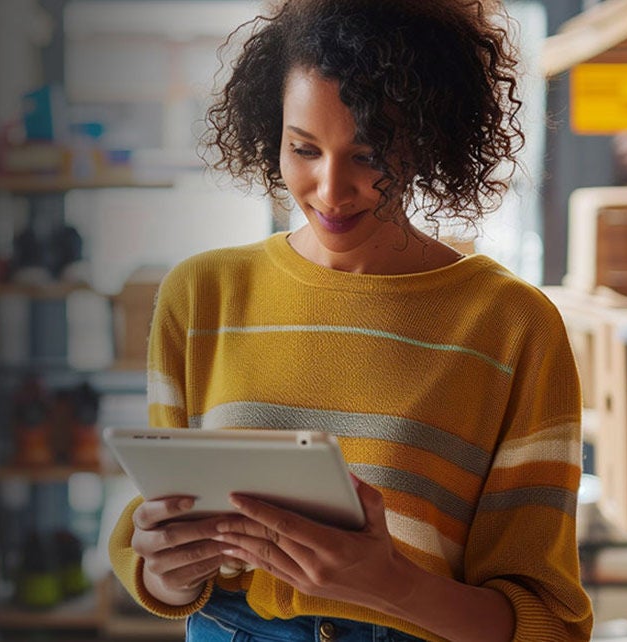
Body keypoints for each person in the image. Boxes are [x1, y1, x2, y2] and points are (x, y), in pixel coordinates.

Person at [106, 1, 594, 641]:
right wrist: (168, 573)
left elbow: (551, 627)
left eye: (368, 156)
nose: (331, 190)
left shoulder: (511, 327)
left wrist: (390, 585)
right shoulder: (202, 296)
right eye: (303, 148)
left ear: (429, 138)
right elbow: (168, 533)